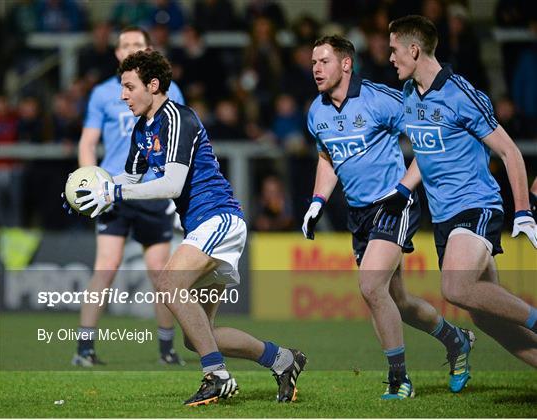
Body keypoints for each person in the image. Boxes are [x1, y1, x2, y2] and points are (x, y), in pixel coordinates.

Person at [75, 50, 307, 406]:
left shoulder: (178, 118)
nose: (122, 95)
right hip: (204, 226)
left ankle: (217, 376)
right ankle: (282, 359)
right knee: (198, 335)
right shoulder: (142, 128)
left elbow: (171, 185)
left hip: (218, 219)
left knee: (168, 283)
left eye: (128, 86)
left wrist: (116, 191)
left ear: (153, 85)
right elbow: (132, 177)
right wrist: (95, 186)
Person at [303, 35, 473, 400]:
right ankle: (456, 340)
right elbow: (328, 158)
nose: (316, 68)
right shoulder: (316, 112)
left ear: (346, 64)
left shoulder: (379, 98)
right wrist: (317, 201)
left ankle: (399, 379)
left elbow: (428, 138)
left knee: (370, 286)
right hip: (359, 214)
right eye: (313, 62)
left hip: (393, 204)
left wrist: (406, 188)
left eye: (324, 61)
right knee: (399, 300)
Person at [387, 15, 537, 368]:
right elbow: (427, 152)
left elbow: (510, 152)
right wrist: (401, 190)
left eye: (394, 50)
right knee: (487, 317)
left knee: (455, 289)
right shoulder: (410, 94)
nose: (390, 57)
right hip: (444, 218)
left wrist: (524, 212)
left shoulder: (460, 94)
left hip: (475, 207)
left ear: (414, 49)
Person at [71, 26, 186, 367]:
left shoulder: (169, 90)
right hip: (113, 192)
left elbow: (177, 140)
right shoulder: (103, 94)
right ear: (117, 53)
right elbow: (87, 143)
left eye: (138, 44)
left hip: (153, 191)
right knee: (106, 266)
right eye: (126, 45)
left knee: (159, 273)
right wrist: (91, 181)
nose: (132, 49)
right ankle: (84, 350)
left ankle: (166, 350)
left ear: (150, 50)